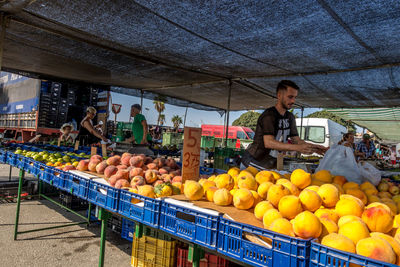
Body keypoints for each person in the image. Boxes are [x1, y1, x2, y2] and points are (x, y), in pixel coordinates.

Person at [242, 80, 327, 170]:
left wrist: (315, 148)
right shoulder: (269, 115)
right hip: (254, 161)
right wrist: (298, 148)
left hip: (272, 161)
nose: (293, 101)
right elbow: (268, 142)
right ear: (279, 95)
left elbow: (296, 140)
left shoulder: (290, 117)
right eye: (290, 97)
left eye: (295, 97)